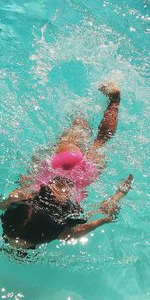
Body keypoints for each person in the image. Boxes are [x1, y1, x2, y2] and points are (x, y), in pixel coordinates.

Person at [0, 82, 133, 250]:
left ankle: (114, 100)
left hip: (86, 174)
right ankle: (81, 99)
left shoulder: (62, 232)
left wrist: (119, 194)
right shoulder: (23, 200)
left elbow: (100, 218)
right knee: (79, 126)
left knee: (101, 140)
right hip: (59, 163)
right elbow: (9, 200)